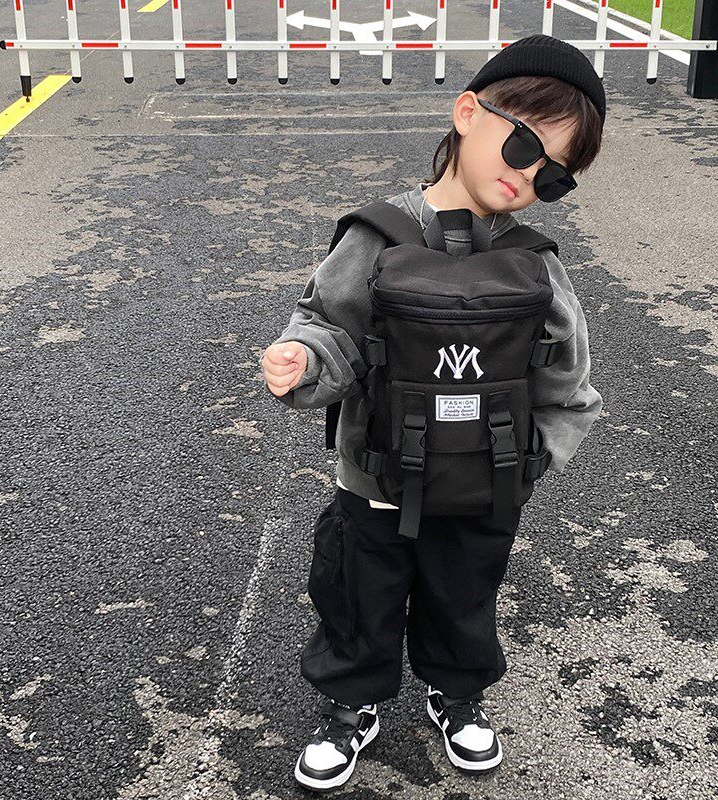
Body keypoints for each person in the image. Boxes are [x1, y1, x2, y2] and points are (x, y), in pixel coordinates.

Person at [259, 34, 606, 793]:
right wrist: (303, 362)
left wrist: (532, 459)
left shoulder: (535, 261)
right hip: (376, 474)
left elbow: (568, 378)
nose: (529, 176)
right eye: (524, 146)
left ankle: (457, 693)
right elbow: (328, 323)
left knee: (464, 594)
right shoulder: (379, 234)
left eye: (553, 175)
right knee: (359, 592)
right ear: (467, 113)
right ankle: (353, 702)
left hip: (484, 481)